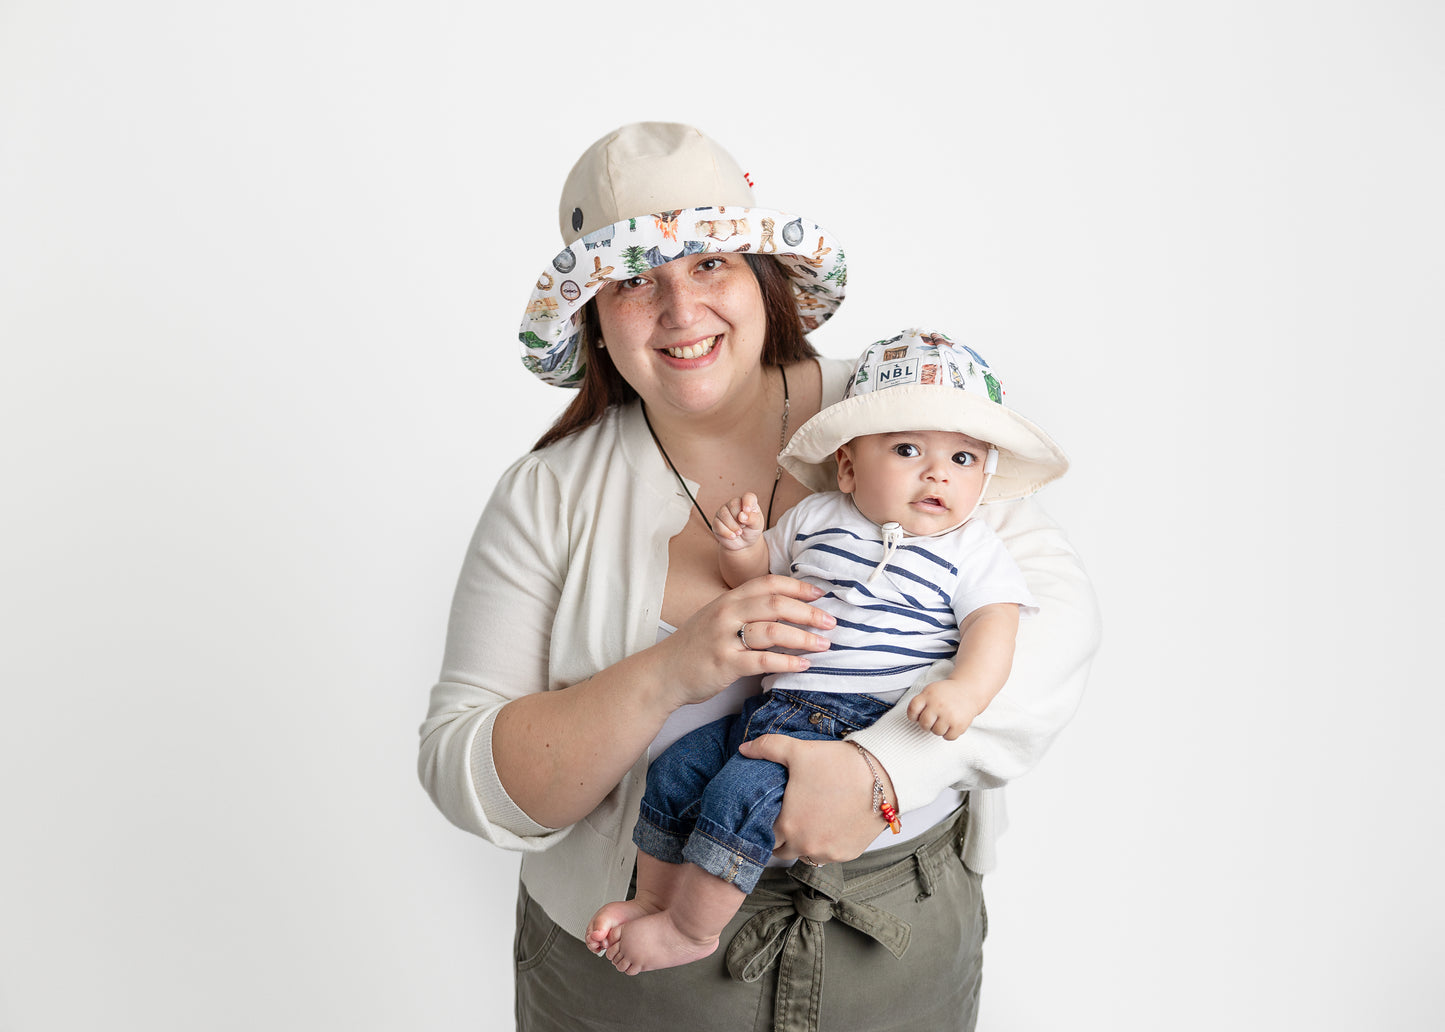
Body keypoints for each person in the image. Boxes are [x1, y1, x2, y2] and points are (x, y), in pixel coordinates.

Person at [418, 122, 1100, 1032]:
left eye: (709, 263)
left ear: (763, 277)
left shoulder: (898, 409)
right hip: (629, 976)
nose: (679, 308)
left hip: (891, 939)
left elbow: (1053, 617)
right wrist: (668, 672)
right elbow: (465, 771)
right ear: (592, 319)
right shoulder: (549, 492)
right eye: (632, 281)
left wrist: (881, 770)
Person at [587, 328, 1069, 976]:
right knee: (676, 769)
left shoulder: (972, 550)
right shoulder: (816, 518)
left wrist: (965, 691)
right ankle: (652, 898)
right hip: (775, 708)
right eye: (907, 449)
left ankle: (690, 929)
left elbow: (994, 626)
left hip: (853, 722)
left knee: (740, 798)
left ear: (982, 479)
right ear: (847, 466)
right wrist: (741, 548)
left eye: (963, 459)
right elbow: (757, 578)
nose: (937, 473)